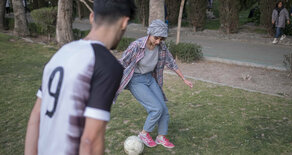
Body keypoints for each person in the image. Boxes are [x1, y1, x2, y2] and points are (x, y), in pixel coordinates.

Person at [24, 0, 136, 154]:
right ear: (124, 22)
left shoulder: (62, 52)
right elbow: (90, 142)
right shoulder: (107, 65)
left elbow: (35, 117)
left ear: (91, 17)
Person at [116, 19, 193, 149]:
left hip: (150, 78)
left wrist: (183, 79)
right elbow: (122, 62)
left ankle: (161, 137)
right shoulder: (137, 45)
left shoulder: (161, 47)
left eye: (161, 39)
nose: (158, 41)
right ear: (149, 33)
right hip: (136, 80)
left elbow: (171, 63)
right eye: (156, 38)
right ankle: (144, 134)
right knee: (155, 108)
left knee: (164, 109)